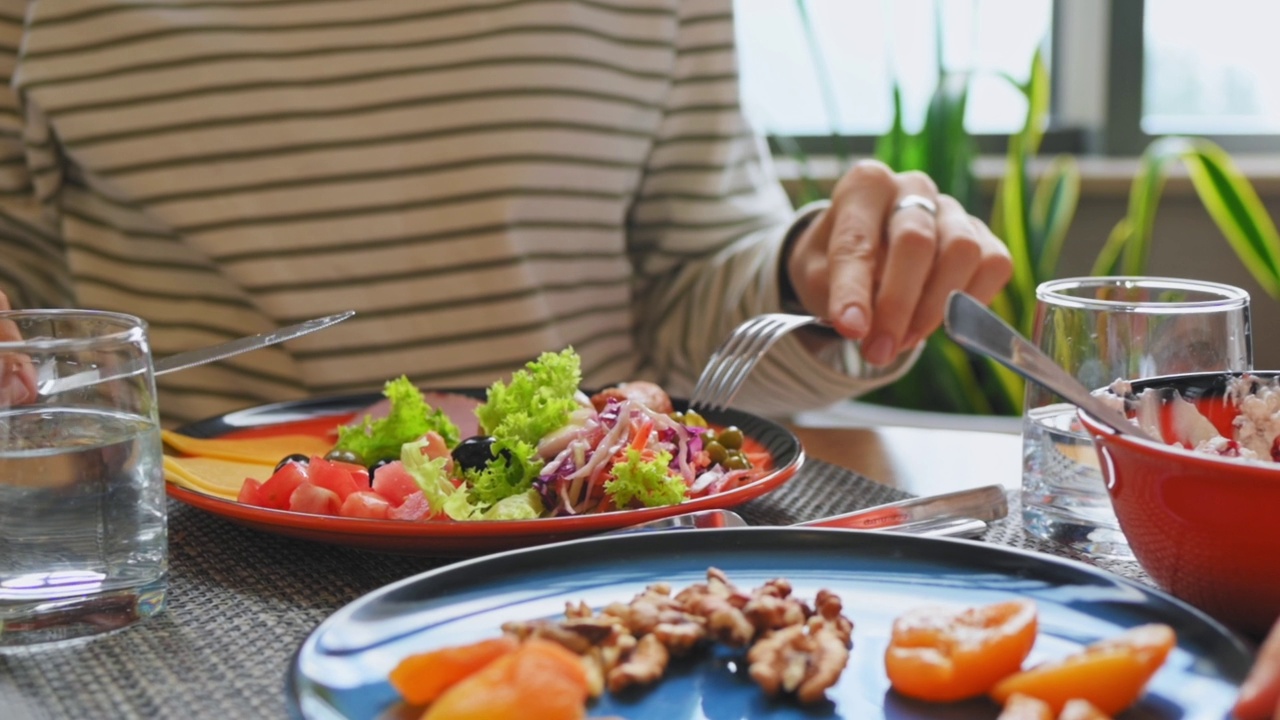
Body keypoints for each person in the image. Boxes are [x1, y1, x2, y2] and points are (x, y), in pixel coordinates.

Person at [0, 0, 1008, 427]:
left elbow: (690, 305)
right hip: (192, 580)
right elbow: (35, 336)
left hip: (574, 570)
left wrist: (810, 272)